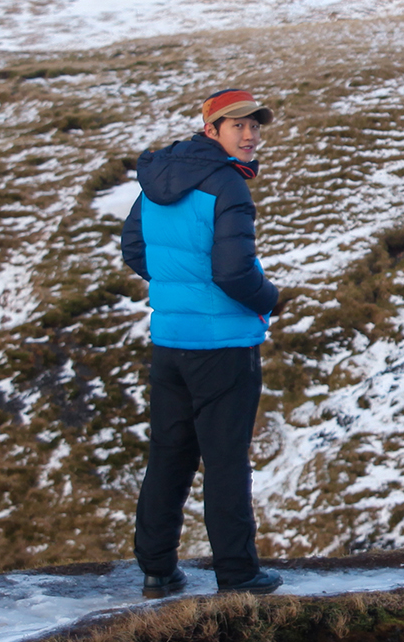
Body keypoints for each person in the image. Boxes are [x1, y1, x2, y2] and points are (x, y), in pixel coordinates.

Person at [120, 88, 286, 596]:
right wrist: (269, 299)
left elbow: (133, 248)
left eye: (255, 125)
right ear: (211, 129)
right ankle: (237, 574)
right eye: (238, 126)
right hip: (224, 345)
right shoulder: (227, 186)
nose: (251, 135)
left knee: (170, 452)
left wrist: (177, 286)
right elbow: (234, 271)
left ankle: (156, 569)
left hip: (170, 340)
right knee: (226, 459)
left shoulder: (157, 180)